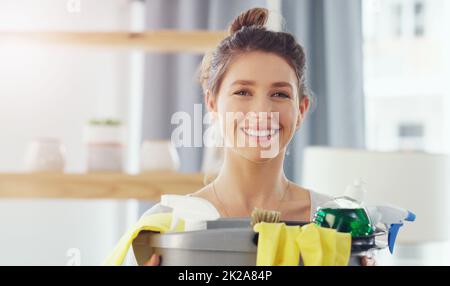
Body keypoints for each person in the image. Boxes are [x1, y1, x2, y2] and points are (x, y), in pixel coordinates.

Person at [140, 7, 375, 266]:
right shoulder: (166, 226)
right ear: (212, 103)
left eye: (280, 94)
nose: (262, 111)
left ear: (301, 110)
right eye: (243, 92)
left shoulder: (338, 224)